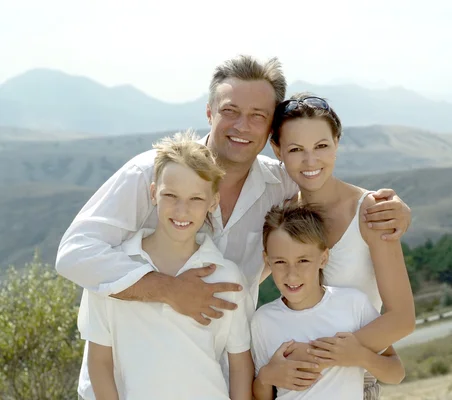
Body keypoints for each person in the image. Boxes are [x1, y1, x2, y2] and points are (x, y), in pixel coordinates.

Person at [55, 55, 412, 394]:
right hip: (129, 384)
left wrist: (391, 208)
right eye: (230, 111)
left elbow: (318, 175)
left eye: (258, 115)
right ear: (209, 111)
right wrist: (167, 288)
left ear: (271, 129)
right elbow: (74, 254)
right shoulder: (152, 173)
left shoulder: (280, 185)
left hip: (222, 382)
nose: (242, 126)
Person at [258, 93, 416, 398]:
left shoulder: (370, 211)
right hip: (292, 384)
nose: (310, 161)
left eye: (321, 146)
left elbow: (402, 319)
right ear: (277, 149)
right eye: (295, 149)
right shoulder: (282, 214)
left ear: (337, 143)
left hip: (354, 379)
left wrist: (320, 359)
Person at [77, 131, 253, 400]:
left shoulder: (226, 276)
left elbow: (240, 365)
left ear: (213, 201)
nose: (182, 210)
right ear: (153, 194)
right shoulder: (116, 268)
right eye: (171, 195)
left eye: (195, 199)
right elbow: (99, 362)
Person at [251, 204, 405, 400]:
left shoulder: (352, 304)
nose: (292, 274)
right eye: (280, 262)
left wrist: (359, 356)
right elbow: (260, 395)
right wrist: (266, 377)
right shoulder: (262, 321)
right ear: (267, 260)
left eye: (303, 261)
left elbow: (396, 372)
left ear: (323, 258)